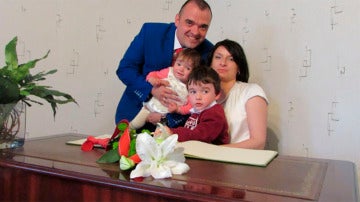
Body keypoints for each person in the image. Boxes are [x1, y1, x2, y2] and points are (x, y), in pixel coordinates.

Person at [115, 0, 213, 131]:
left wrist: (166, 119)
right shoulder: (150, 32)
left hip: (173, 127)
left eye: (203, 27)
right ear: (177, 20)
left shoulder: (209, 53)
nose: (195, 32)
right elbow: (125, 69)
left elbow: (202, 100)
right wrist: (151, 89)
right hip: (135, 114)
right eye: (189, 22)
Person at [207, 39, 268, 149]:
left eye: (231, 59)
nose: (223, 63)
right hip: (209, 161)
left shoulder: (252, 91)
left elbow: (258, 142)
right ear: (210, 63)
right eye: (218, 57)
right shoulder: (201, 95)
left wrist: (215, 152)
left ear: (239, 67)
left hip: (242, 162)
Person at [155, 67, 230, 145]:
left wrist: (172, 132)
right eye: (193, 91)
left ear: (217, 94)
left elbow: (200, 136)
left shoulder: (214, 113)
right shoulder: (197, 111)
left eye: (205, 91)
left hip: (212, 155)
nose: (198, 97)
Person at [130, 48, 201, 130]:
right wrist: (153, 79)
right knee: (135, 123)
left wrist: (178, 109)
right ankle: (124, 134)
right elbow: (153, 74)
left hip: (165, 115)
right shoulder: (169, 72)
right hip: (150, 106)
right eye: (179, 64)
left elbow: (190, 106)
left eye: (187, 68)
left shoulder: (191, 86)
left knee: (161, 135)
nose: (181, 69)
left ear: (194, 72)